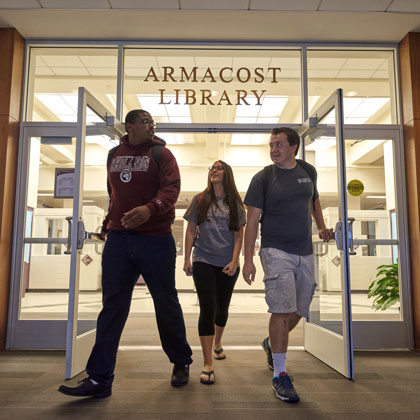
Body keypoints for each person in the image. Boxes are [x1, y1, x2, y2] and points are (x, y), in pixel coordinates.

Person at [58, 109, 193, 398]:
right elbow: (114, 194)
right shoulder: (113, 154)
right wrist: (109, 223)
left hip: (155, 239)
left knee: (165, 302)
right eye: (145, 121)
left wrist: (150, 209)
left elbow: (172, 191)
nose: (151, 126)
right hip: (119, 240)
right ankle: (99, 379)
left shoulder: (162, 155)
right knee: (112, 308)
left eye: (152, 122)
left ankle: (181, 361)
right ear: (130, 125)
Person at [242, 127, 333, 403]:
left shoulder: (308, 171)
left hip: (304, 250)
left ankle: (272, 343)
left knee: (299, 309)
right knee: (281, 310)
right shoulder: (263, 178)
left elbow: (314, 201)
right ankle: (280, 375)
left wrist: (321, 226)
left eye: (279, 144)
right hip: (275, 250)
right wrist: (248, 259)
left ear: (294, 146)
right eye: (271, 145)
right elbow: (252, 221)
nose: (273, 150)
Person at [183, 161, 245, 385]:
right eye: (211, 168)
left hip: (227, 261)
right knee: (207, 307)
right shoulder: (199, 200)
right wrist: (187, 258)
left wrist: (235, 260)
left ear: (227, 173)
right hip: (203, 259)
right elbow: (190, 230)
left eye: (218, 168)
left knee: (222, 308)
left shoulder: (235, 203)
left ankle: (218, 343)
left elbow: (239, 235)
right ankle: (208, 361)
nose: (213, 170)